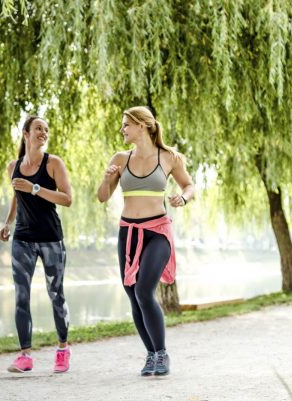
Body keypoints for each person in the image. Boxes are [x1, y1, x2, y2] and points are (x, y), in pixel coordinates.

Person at [97, 106, 195, 376]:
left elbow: (189, 185)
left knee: (143, 291)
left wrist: (183, 198)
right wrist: (107, 179)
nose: (122, 129)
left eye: (126, 124)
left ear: (142, 125)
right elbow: (102, 196)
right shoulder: (121, 158)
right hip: (128, 232)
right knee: (132, 295)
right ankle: (151, 354)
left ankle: (162, 354)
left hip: (157, 232)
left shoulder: (169, 157)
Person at [0, 115, 73, 373]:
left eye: (46, 129)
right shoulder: (13, 166)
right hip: (23, 238)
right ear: (26, 134)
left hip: (51, 237)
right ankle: (25, 356)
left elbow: (67, 199)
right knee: (21, 296)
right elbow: (17, 196)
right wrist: (8, 223)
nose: (44, 132)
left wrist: (35, 188)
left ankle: (63, 349)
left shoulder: (53, 163)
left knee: (56, 294)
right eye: (38, 128)